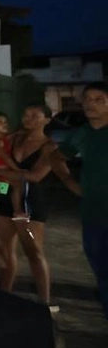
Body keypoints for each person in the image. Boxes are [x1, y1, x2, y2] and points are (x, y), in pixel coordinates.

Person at [0, 105, 58, 307]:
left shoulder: (49, 147)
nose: (29, 119)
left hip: (30, 204)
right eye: (26, 114)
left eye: (35, 116)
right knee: (4, 250)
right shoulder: (13, 139)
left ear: (46, 120)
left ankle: (44, 302)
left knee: (33, 251)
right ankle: (4, 296)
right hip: (4, 200)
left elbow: (36, 176)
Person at [58, 82, 108, 320]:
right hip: (93, 216)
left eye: (99, 99)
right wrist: (69, 182)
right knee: (103, 276)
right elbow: (56, 156)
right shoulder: (82, 133)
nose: (90, 103)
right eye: (87, 99)